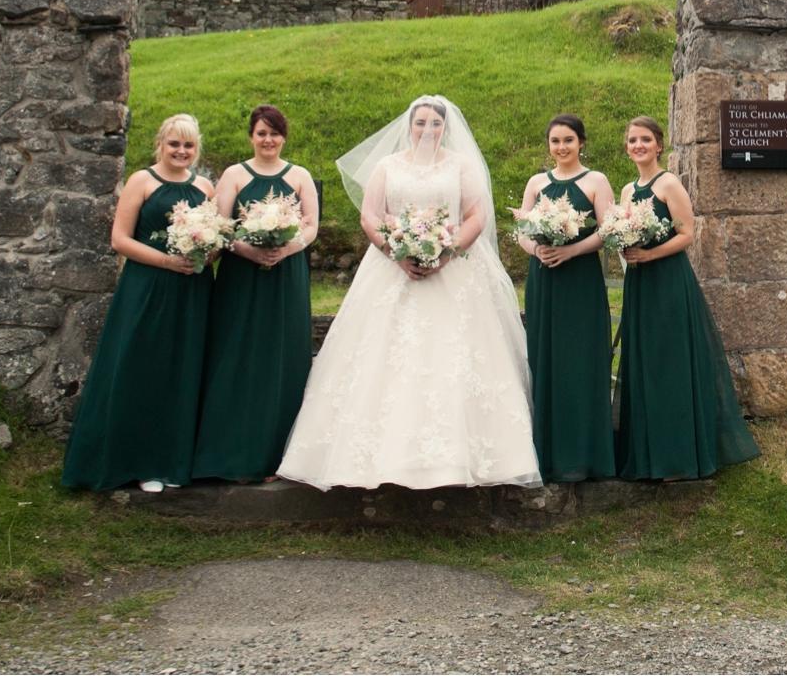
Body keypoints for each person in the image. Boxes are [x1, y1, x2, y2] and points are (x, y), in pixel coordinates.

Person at [276, 95, 542, 490]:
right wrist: (395, 252)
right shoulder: (388, 166)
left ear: (445, 128)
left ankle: (457, 462)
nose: (428, 130)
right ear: (410, 126)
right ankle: (376, 460)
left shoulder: (459, 166)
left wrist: (447, 252)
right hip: (391, 271)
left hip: (454, 273)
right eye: (421, 123)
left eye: (435, 124)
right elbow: (370, 215)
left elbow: (475, 216)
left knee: (455, 358)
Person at [63, 113, 219, 493]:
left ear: (196, 149)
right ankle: (135, 461)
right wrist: (167, 260)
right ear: (160, 144)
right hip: (148, 286)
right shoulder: (142, 181)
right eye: (174, 144)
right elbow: (120, 239)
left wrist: (207, 253)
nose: (181, 151)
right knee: (140, 366)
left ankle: (171, 462)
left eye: (188, 145)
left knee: (182, 370)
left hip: (192, 291)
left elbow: (215, 239)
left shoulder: (205, 187)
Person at [615, 115, 759, 481]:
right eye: (633, 140)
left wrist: (649, 254)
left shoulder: (668, 184)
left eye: (645, 139)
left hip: (667, 279)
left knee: (670, 360)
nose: (639, 146)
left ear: (659, 145)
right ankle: (648, 455)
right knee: (645, 361)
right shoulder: (629, 190)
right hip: (640, 283)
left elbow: (687, 234)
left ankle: (679, 457)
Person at [192, 105, 318, 482]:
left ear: (284, 137)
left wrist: (286, 248)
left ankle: (279, 458)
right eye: (262, 133)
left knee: (282, 355)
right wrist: (249, 250)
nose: (268, 140)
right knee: (236, 351)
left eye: (275, 133)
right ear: (252, 136)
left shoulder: (299, 176)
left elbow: (311, 225)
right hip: (242, 276)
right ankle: (229, 453)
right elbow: (221, 223)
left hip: (286, 275)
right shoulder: (234, 174)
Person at [516, 113, 616, 483]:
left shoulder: (596, 181)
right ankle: (548, 453)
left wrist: (571, 252)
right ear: (549, 144)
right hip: (544, 279)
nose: (561, 148)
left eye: (568, 141)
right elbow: (523, 230)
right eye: (555, 141)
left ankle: (586, 456)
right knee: (546, 358)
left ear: (581, 143)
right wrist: (536, 250)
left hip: (579, 279)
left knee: (580, 358)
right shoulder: (537, 182)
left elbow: (607, 230)